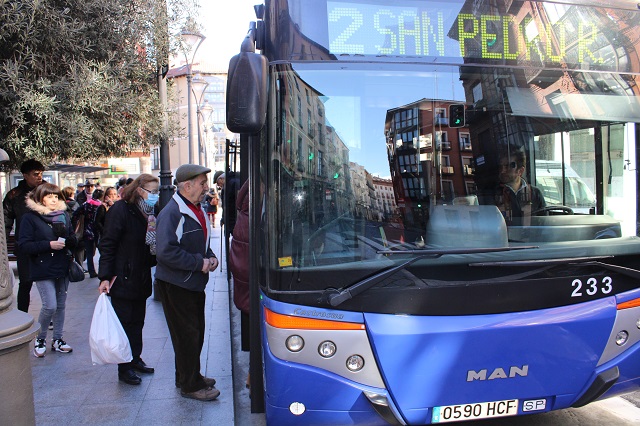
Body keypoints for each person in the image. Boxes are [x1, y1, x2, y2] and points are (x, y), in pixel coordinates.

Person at [155, 164, 220, 401]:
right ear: (187, 185)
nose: (206, 188)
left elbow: (200, 242)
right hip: (177, 285)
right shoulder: (172, 213)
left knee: (194, 333)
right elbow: (165, 252)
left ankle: (186, 376)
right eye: (202, 183)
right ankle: (190, 385)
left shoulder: (194, 208)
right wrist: (199, 263)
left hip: (191, 283)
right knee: (188, 335)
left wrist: (210, 256)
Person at [98, 174, 159, 386]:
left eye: (157, 192)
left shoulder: (149, 213)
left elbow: (148, 245)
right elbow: (108, 244)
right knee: (125, 323)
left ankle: (135, 358)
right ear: (139, 190)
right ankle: (124, 367)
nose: (155, 196)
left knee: (137, 322)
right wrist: (105, 277)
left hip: (140, 275)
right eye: (152, 191)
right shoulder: (121, 210)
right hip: (123, 276)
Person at [18, 183, 77, 357]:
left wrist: (68, 240)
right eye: (49, 196)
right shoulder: (30, 218)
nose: (54, 200)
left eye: (56, 196)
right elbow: (24, 245)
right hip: (42, 267)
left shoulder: (63, 216)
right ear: (40, 198)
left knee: (60, 305)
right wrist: (49, 245)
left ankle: (58, 339)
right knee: (50, 305)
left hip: (62, 265)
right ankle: (40, 338)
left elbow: (73, 238)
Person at [3, 159, 45, 312]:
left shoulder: (48, 192)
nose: (39, 177)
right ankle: (23, 314)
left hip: (47, 244)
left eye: (41, 174)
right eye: (35, 174)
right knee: (25, 283)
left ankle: (49, 315)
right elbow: (5, 221)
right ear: (25, 175)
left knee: (48, 282)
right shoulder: (14, 195)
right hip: (24, 246)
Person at [228, 179, 250, 387]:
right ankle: (254, 374)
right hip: (250, 287)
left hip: (246, 286)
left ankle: (254, 373)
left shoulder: (245, 213)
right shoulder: (252, 217)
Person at [494, 149, 546, 225]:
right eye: (501, 166)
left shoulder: (535, 193)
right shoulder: (492, 193)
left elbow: (544, 223)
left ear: (520, 171)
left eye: (508, 166)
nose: (502, 171)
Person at [73, 188, 103, 278]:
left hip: (87, 231)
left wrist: (78, 223)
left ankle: (91, 271)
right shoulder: (101, 206)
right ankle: (102, 271)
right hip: (98, 231)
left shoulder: (86, 204)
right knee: (102, 252)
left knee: (89, 253)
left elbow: (75, 214)